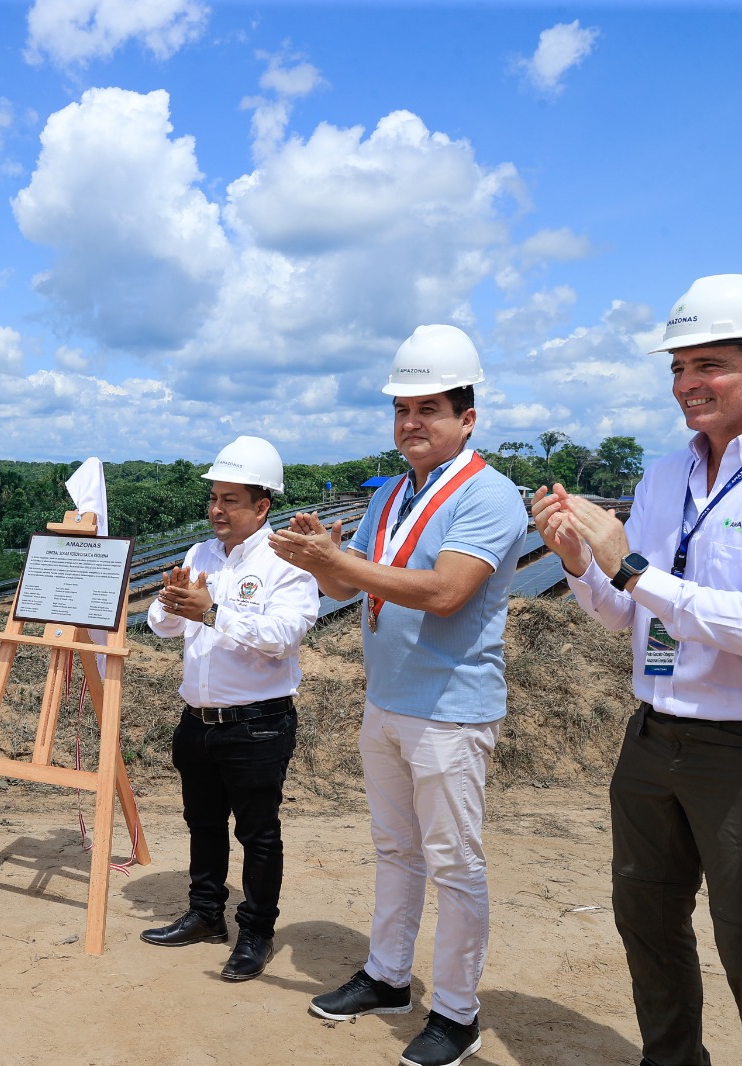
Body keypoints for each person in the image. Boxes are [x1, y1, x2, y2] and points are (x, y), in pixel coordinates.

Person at [532, 274, 742, 1066]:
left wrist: (628, 565)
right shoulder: (666, 476)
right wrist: (578, 564)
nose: (687, 385)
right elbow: (628, 618)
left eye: (710, 365)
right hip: (655, 736)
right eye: (678, 367)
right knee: (647, 922)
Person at [271, 325, 528, 1066]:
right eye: (401, 409)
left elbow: (446, 593)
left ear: (467, 419)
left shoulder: (488, 494)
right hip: (387, 699)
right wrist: (325, 558)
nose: (411, 423)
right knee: (395, 848)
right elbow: (346, 586)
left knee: (453, 863)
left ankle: (457, 1011)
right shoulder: (393, 496)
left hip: (449, 709)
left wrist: (339, 560)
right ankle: (387, 977)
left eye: (430, 409)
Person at [142, 436, 319, 982]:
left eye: (231, 500)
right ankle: (205, 914)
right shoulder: (201, 554)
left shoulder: (288, 559)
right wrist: (173, 607)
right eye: (214, 498)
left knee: (258, 833)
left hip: (257, 723)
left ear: (262, 506)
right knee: (203, 823)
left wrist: (212, 611)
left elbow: (283, 634)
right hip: (198, 719)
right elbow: (161, 623)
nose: (217, 510)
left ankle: (257, 933)